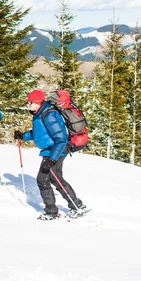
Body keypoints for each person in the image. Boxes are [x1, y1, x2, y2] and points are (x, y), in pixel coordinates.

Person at [14, 89, 85, 220]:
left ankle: (53, 211)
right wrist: (23, 136)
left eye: (30, 102)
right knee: (54, 178)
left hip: (56, 150)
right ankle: (75, 205)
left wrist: (51, 159)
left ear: (37, 102)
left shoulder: (49, 115)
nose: (28, 105)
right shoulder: (39, 113)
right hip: (52, 150)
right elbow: (40, 133)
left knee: (43, 179)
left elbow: (61, 139)